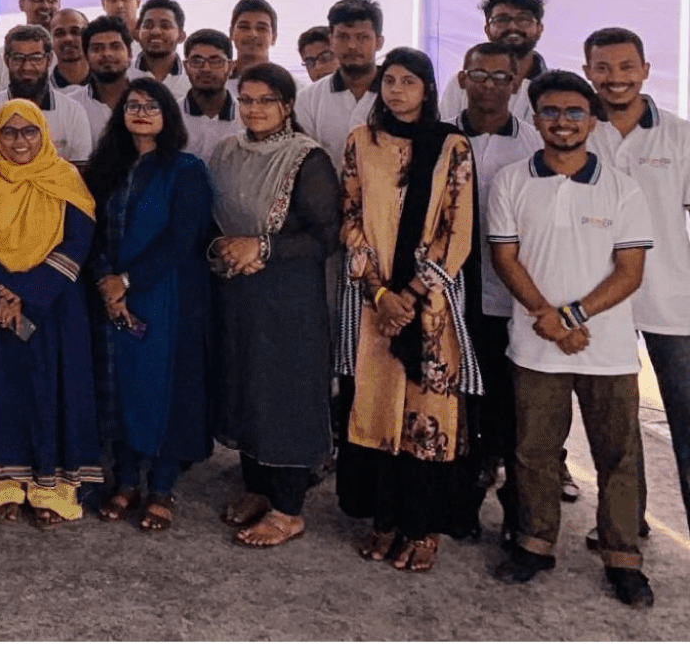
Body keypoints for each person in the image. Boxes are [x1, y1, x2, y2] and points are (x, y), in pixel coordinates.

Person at [489, 71, 653, 606]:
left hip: (608, 350)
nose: (563, 122)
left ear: (592, 120)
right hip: (535, 344)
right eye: (552, 112)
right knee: (533, 452)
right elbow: (504, 256)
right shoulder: (511, 181)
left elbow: (630, 271)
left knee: (618, 455)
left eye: (575, 112)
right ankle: (534, 545)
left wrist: (571, 316)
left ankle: (622, 556)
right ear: (535, 120)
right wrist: (547, 317)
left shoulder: (622, 187)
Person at [336, 48, 479, 574]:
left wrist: (411, 295)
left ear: (427, 89)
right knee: (376, 410)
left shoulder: (452, 147)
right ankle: (384, 518)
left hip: (430, 308)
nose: (396, 91)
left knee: (426, 417)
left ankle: (422, 527)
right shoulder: (361, 141)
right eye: (389, 81)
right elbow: (351, 217)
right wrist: (380, 294)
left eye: (408, 82)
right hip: (374, 306)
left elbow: (456, 233)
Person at [206, 66, 338, 547]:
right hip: (237, 291)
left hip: (289, 294)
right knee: (247, 386)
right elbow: (213, 218)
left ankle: (288, 508)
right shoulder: (226, 151)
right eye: (246, 99)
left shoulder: (307, 157)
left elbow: (325, 236)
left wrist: (261, 248)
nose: (255, 109)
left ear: (287, 105)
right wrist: (224, 249)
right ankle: (258, 488)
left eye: (266, 100)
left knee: (285, 393)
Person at [0, 99, 99, 522]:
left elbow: (78, 241)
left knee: (53, 391)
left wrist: (24, 294)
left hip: (55, 306)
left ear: (44, 134)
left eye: (28, 131)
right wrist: (5, 293)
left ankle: (52, 491)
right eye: (8, 131)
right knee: (4, 390)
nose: (18, 141)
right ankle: (5, 484)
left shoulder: (64, 176)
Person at [86, 79, 213, 530]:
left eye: (151, 106)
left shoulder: (186, 169)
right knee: (120, 386)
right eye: (133, 105)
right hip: (108, 295)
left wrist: (126, 281)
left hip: (167, 296)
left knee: (163, 390)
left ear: (168, 115)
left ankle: (161, 486)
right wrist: (105, 280)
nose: (140, 112)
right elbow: (89, 230)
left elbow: (182, 238)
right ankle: (125, 480)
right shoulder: (105, 168)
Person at [585, 25, 690, 532]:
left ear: (646, 70)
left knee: (686, 421)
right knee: (617, 428)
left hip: (673, 301)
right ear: (588, 72)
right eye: (603, 68)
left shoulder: (680, 135)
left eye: (627, 67)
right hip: (602, 303)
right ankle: (627, 524)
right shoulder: (580, 132)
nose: (616, 78)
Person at [453, 42, 541, 539]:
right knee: (462, 405)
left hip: (513, 301)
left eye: (500, 77)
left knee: (511, 415)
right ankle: (461, 506)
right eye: (479, 75)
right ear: (463, 79)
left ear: (516, 84)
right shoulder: (442, 139)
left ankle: (516, 514)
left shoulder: (533, 145)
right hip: (455, 299)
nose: (489, 85)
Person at [0, 26, 94, 165]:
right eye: (18, 58)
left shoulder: (73, 112)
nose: (27, 67)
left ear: (49, 59)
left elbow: (79, 172)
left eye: (36, 58)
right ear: (6, 60)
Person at [437, 0, 549, 119]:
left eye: (523, 19)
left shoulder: (556, 89)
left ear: (539, 28)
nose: (512, 27)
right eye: (501, 20)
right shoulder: (461, 85)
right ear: (487, 30)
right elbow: (445, 130)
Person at [296, 0, 382, 156]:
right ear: (331, 41)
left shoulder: (399, 94)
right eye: (343, 37)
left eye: (362, 37)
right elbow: (301, 159)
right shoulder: (308, 100)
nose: (352, 46)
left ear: (379, 42)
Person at [178, 29, 242, 160]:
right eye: (197, 61)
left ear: (231, 67)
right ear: (185, 66)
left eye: (216, 61)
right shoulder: (170, 115)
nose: (206, 69)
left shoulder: (244, 118)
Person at [134, 0, 190, 96]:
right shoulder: (123, 75)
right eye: (148, 26)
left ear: (181, 36)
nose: (155, 32)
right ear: (137, 34)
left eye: (165, 26)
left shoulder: (192, 77)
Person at [228, 0, 278, 76]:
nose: (252, 34)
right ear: (231, 33)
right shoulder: (217, 81)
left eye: (261, 28)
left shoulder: (289, 83)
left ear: (274, 37)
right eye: (244, 27)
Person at [49, 9, 92, 91]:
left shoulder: (107, 82)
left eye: (75, 32)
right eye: (60, 33)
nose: (68, 39)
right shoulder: (41, 89)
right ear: (51, 41)